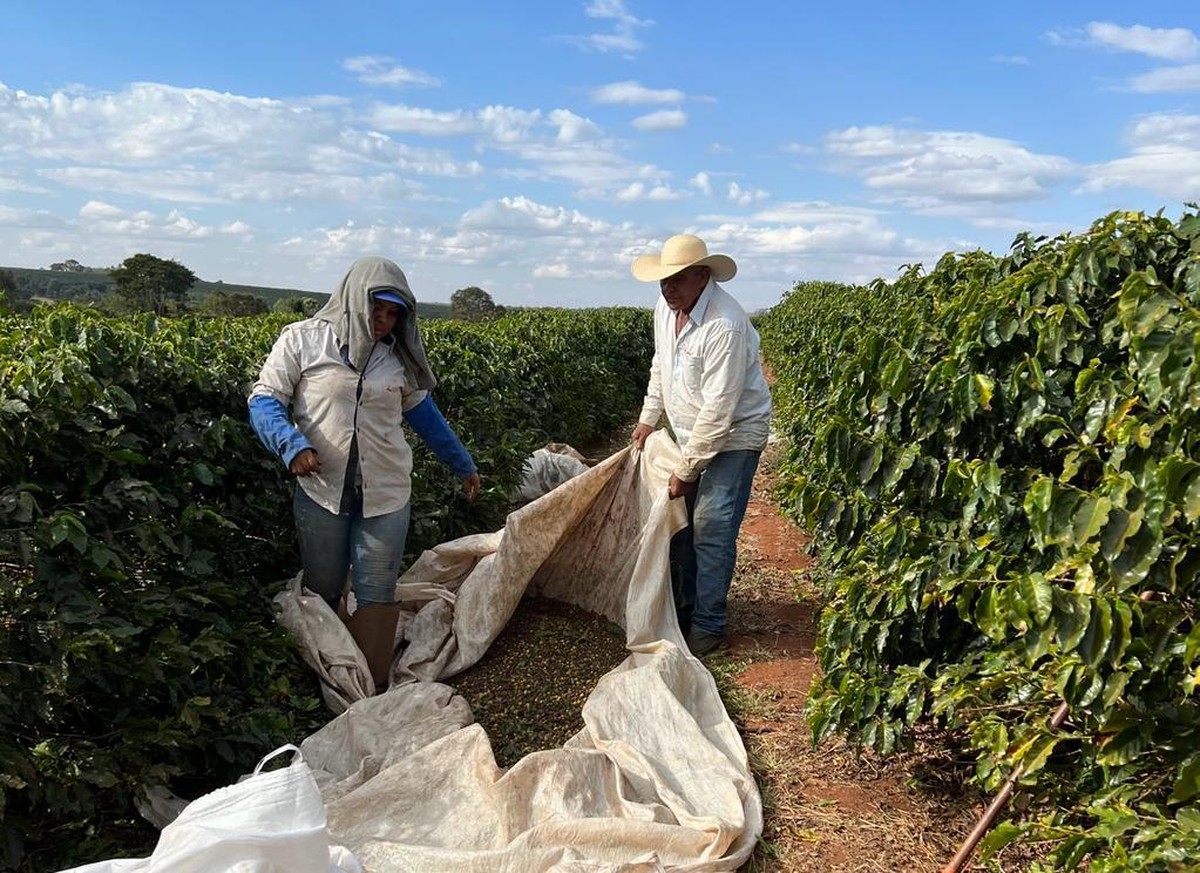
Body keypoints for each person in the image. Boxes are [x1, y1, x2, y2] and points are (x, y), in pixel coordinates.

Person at [248, 256, 481, 692]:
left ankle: (368, 691)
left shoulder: (397, 357)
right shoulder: (303, 341)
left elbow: (425, 416)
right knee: (322, 587)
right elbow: (264, 400)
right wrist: (291, 445)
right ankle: (322, 680)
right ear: (354, 300)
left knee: (376, 592)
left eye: (394, 313)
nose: (383, 321)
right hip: (322, 491)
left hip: (386, 492)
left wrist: (462, 463)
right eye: (377, 309)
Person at [629, 234, 772, 656]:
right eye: (663, 279)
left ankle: (708, 625)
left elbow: (719, 410)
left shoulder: (725, 324)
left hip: (734, 437)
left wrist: (688, 470)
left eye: (677, 279)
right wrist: (648, 418)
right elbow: (662, 364)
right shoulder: (666, 309)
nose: (667, 288)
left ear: (702, 276)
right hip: (691, 433)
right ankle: (684, 609)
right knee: (680, 523)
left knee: (711, 526)